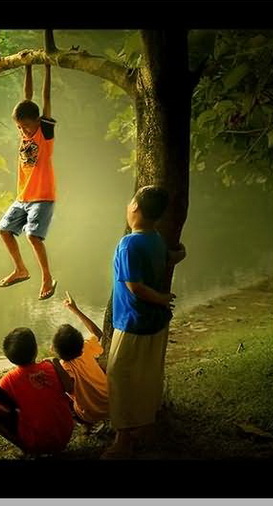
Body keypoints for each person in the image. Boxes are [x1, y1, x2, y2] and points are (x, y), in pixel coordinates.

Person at [103, 185, 187, 459]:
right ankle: (146, 426)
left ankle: (123, 440)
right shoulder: (156, 238)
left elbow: (134, 286)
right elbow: (169, 257)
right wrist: (180, 253)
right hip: (155, 323)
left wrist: (161, 298)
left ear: (135, 208)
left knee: (120, 377)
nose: (128, 206)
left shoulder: (128, 243)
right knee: (148, 376)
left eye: (130, 202)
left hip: (133, 322)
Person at [0, 63, 58, 301]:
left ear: (37, 121)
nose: (22, 129)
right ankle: (21, 269)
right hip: (23, 197)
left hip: (42, 195)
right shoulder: (24, 132)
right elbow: (27, 97)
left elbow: (44, 98)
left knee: (33, 236)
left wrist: (48, 68)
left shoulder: (45, 133)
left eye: (26, 125)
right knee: (3, 229)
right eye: (19, 126)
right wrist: (29, 67)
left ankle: (46, 277)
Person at [0, 327, 74, 456]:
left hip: (36, 443)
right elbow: (70, 388)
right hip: (65, 431)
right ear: (36, 350)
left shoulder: (7, 381)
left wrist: (18, 442)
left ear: (9, 357)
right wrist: (56, 363)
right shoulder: (51, 367)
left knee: (0, 408)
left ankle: (26, 448)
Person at [52, 291, 109, 429]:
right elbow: (98, 334)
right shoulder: (86, 348)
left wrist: (53, 361)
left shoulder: (64, 367)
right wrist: (75, 310)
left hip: (90, 414)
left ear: (55, 349)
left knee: (61, 397)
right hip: (111, 402)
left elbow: (68, 388)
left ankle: (85, 425)